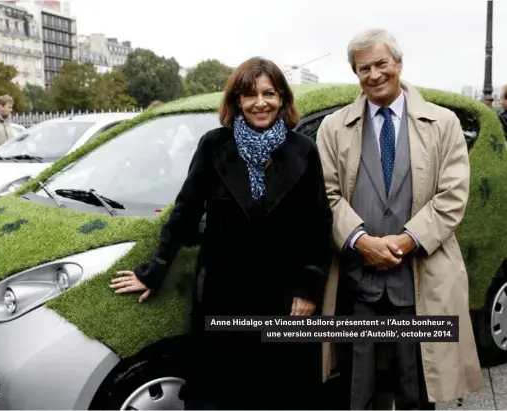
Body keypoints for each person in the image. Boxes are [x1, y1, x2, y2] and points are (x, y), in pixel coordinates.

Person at [111, 56, 334, 409]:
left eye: (269, 93)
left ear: (282, 99)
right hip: (224, 293)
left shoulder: (303, 151)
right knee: (222, 393)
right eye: (250, 95)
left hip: (285, 298)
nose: (260, 103)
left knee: (281, 393)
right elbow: (185, 212)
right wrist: (153, 271)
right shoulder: (214, 146)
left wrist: (308, 289)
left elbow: (319, 225)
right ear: (236, 102)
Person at [316, 28, 484, 410]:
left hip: (421, 282)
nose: (373, 75)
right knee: (358, 393)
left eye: (381, 64)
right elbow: (326, 196)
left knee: (418, 391)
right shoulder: (333, 128)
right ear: (355, 74)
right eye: (363, 69)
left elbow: (452, 197)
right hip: (358, 286)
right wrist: (362, 242)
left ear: (398, 63)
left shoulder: (443, 124)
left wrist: (405, 242)